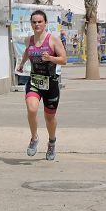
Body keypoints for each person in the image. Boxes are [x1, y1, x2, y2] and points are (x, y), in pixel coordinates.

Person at [15, 10, 68, 160]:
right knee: (32, 109)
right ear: (31, 24)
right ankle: (34, 138)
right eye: (34, 22)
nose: (37, 24)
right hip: (34, 81)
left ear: (45, 23)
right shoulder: (29, 40)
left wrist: (51, 57)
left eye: (39, 22)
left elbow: (64, 59)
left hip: (51, 83)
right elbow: (27, 51)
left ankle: (51, 142)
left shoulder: (53, 40)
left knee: (49, 118)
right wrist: (22, 63)